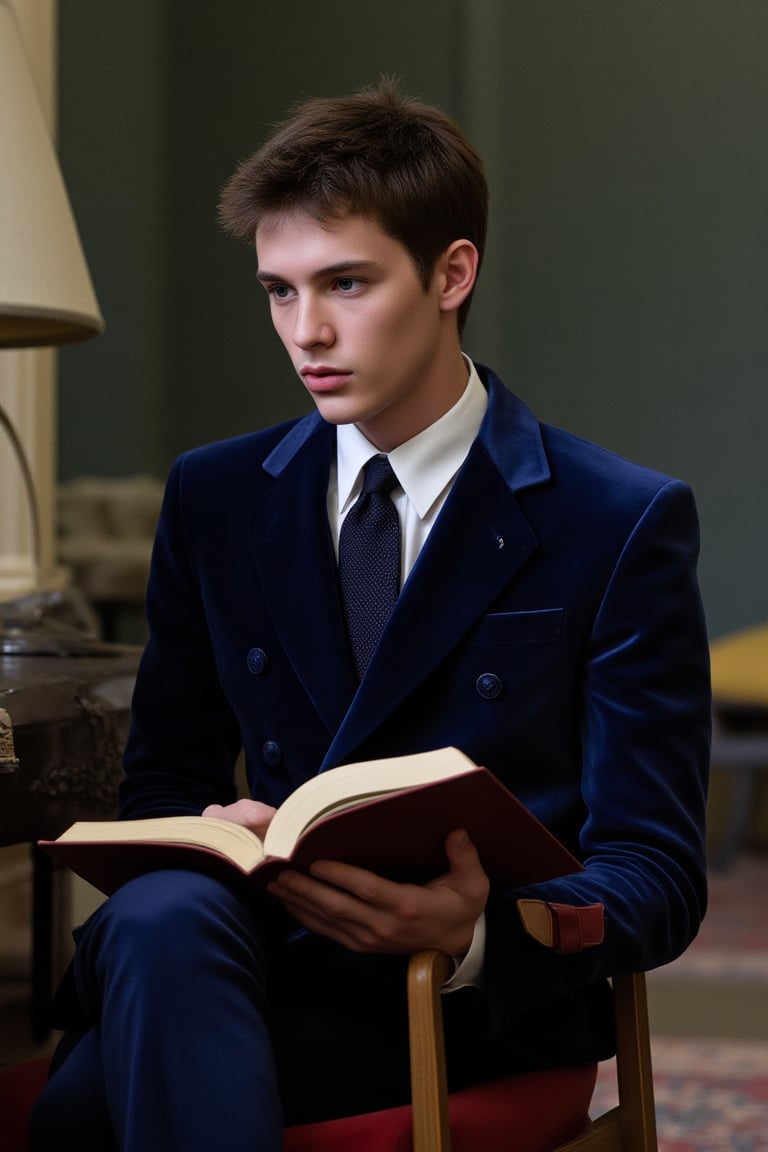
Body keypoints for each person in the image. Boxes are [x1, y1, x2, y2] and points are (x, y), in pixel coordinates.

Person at [31, 78, 710, 1151]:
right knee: (164, 913)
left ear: (452, 273)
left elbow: (658, 876)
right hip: (242, 955)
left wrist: (481, 933)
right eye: (278, 290)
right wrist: (214, 833)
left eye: (346, 283)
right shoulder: (215, 499)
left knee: (80, 1106)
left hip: (466, 998)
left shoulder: (617, 520)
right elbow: (166, 782)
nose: (307, 332)